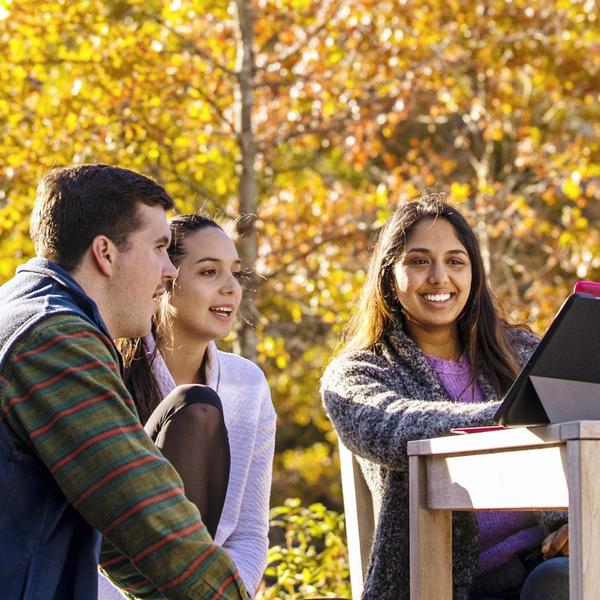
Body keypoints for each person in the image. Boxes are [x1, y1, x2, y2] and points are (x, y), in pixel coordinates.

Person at [0, 164, 247, 599]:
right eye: (158, 248)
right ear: (106, 253)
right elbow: (139, 507)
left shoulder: (29, 314)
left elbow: (115, 536)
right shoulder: (52, 338)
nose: (169, 271)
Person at [321, 195, 569, 600]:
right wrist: (516, 412)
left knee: (563, 577)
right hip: (447, 587)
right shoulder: (358, 374)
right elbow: (395, 427)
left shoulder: (521, 352)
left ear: (474, 274)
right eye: (419, 262)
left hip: (545, 565)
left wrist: (579, 524)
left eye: (455, 261)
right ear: (389, 277)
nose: (439, 277)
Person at [99, 214, 276, 598]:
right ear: (164, 282)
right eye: (210, 272)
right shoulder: (107, 373)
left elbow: (248, 535)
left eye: (235, 273)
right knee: (193, 409)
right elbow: (91, 538)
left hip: (207, 592)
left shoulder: (248, 384)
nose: (231, 288)